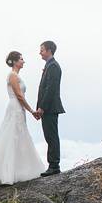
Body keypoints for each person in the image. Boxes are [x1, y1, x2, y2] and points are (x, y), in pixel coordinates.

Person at [0, 51, 47, 187]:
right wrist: (32, 111)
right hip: (16, 108)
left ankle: (19, 171)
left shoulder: (16, 76)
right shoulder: (12, 76)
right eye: (21, 59)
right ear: (15, 61)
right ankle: (7, 173)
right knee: (12, 137)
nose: (23, 61)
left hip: (19, 108)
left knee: (20, 137)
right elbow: (19, 96)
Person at [34, 40, 65, 177]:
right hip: (48, 108)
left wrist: (41, 108)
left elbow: (50, 89)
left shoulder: (53, 66)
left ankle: (54, 165)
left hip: (50, 108)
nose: (40, 52)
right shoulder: (49, 65)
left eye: (42, 49)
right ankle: (53, 164)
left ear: (49, 50)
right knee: (49, 136)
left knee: (51, 136)